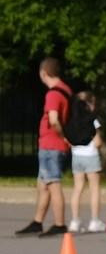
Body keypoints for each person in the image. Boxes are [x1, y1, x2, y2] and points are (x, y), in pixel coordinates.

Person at [25, 58, 73, 237]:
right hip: (53, 145)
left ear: (43, 73)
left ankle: (59, 223)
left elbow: (53, 119)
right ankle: (37, 221)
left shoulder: (53, 94)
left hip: (51, 144)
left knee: (53, 183)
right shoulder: (66, 90)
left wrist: (62, 136)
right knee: (43, 184)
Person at [66, 87, 106, 232]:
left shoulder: (71, 120)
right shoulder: (92, 120)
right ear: (88, 105)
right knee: (94, 188)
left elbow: (68, 139)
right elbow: (98, 142)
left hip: (77, 156)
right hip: (91, 156)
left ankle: (75, 221)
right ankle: (94, 221)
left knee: (77, 188)